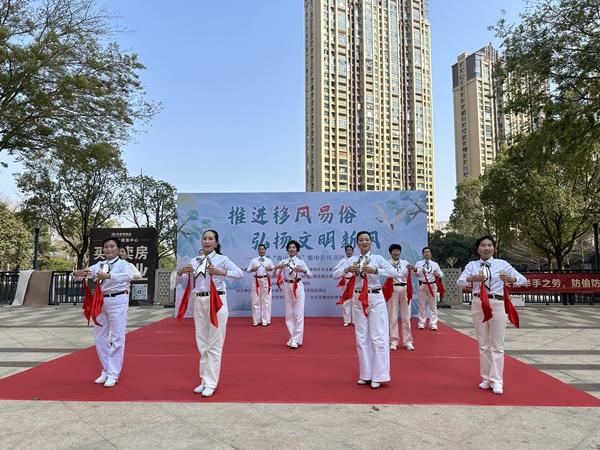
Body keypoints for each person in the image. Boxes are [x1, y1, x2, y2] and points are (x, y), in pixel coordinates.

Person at [177, 229, 243, 398]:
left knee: (214, 344)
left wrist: (222, 272)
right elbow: (180, 281)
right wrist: (180, 272)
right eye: (204, 238)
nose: (207, 241)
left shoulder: (222, 259)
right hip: (199, 301)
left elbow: (239, 273)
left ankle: (211, 383)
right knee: (202, 343)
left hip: (216, 301)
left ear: (216, 242)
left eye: (210, 239)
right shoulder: (195, 260)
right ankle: (204, 380)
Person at [457, 235, 526, 395]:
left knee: (497, 343)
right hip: (478, 303)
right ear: (478, 249)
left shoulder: (502, 264)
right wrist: (472, 278)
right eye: (483, 245)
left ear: (494, 248)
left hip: (497, 303)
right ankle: (486, 378)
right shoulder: (472, 265)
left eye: (489, 245)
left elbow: (523, 280)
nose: (486, 248)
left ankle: (497, 380)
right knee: (483, 344)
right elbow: (460, 282)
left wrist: (512, 278)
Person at [332, 231, 396, 389]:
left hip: (375, 297)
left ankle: (379, 375)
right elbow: (334, 274)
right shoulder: (352, 260)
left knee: (378, 337)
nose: (364, 242)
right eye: (361, 240)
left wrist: (376, 271)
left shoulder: (378, 259)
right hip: (358, 298)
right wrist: (347, 269)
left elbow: (395, 272)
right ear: (357, 243)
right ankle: (365, 374)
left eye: (367, 239)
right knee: (361, 337)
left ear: (371, 242)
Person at [73, 237, 135, 388]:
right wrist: (77, 273)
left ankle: (113, 373)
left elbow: (129, 276)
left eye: (112, 246)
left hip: (118, 300)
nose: (108, 249)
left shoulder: (123, 264)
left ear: (118, 250)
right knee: (100, 337)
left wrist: (109, 276)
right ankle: (106, 369)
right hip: (100, 301)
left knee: (117, 337)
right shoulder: (99, 265)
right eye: (106, 246)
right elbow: (82, 275)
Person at [275, 240, 311, 349]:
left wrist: (303, 270)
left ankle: (296, 339)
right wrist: (277, 267)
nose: (292, 249)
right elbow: (274, 274)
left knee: (298, 314)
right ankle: (293, 337)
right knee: (289, 313)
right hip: (287, 286)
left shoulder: (300, 262)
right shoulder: (284, 261)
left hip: (297, 286)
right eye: (290, 247)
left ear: (297, 250)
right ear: (287, 250)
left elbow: (310, 275)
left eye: (294, 247)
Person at [385, 244, 415, 351]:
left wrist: (414, 268)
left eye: (398, 250)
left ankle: (408, 341)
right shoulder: (387, 263)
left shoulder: (405, 263)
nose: (396, 252)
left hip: (405, 289)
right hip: (393, 290)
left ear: (400, 252)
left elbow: (416, 273)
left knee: (406, 317)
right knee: (393, 317)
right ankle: (393, 341)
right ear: (390, 252)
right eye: (394, 251)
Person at [413, 247, 444, 331]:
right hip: (422, 284)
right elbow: (414, 274)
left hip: (432, 285)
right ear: (423, 254)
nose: (427, 253)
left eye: (428, 252)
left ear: (431, 254)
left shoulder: (435, 264)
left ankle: (433, 323)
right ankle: (421, 323)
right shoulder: (418, 263)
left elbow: (441, 274)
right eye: (425, 252)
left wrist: (438, 274)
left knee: (433, 305)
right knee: (422, 305)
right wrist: (420, 272)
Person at [247, 244, 274, 327]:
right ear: (258, 251)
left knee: (265, 301)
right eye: (260, 249)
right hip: (256, 280)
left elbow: (273, 271)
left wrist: (270, 269)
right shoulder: (254, 260)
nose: (261, 250)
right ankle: (256, 320)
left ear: (265, 250)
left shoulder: (269, 260)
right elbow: (248, 270)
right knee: (255, 300)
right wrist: (252, 269)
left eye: (263, 249)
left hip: (265, 280)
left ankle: (265, 320)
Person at [334, 245, 355, 326]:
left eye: (350, 250)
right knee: (346, 301)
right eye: (347, 250)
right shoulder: (342, 261)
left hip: (354, 281)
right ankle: (347, 320)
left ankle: (354, 320)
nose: (349, 252)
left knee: (354, 301)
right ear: (345, 252)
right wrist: (344, 267)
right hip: (345, 281)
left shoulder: (356, 260)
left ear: (353, 251)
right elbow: (336, 269)